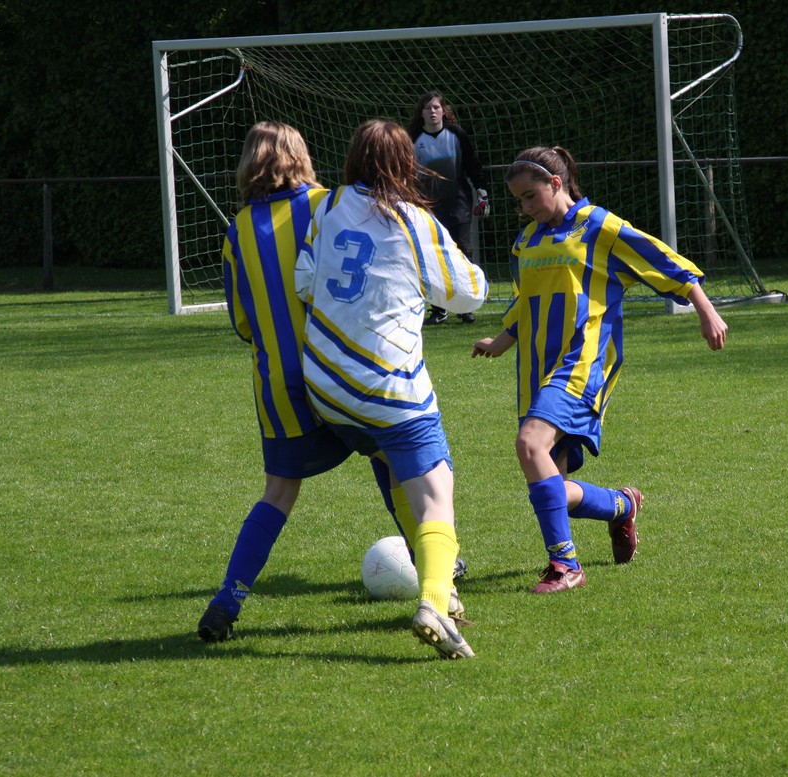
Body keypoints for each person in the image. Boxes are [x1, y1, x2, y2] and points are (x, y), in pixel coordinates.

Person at [199, 121, 442, 644]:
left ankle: (227, 600)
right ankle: (436, 575)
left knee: (278, 493)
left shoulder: (238, 228)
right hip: (338, 369)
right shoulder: (330, 204)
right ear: (301, 157)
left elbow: (242, 322)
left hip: (277, 384)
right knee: (392, 457)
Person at [471, 146, 728, 594]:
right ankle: (621, 506)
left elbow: (661, 259)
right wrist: (500, 341)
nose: (525, 208)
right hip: (535, 371)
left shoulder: (599, 226)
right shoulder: (527, 240)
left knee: (530, 445)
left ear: (557, 183)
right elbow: (525, 300)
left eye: (531, 196)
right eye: (519, 200)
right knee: (551, 484)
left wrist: (705, 310)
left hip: (583, 363)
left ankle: (565, 566)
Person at [295, 119, 488, 658]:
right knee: (437, 491)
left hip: (326, 388)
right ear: (407, 163)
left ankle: (442, 588)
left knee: (394, 464)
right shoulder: (414, 220)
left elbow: (304, 282)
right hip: (387, 387)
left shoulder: (327, 207)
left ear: (353, 159)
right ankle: (434, 601)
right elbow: (466, 295)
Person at [407, 90, 489, 326]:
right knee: (431, 255)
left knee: (463, 252)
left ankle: (466, 307)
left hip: (458, 204)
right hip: (427, 208)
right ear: (421, 113)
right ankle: (439, 309)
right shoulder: (412, 138)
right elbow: (404, 172)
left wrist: (482, 192)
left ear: (443, 111)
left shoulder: (456, 134)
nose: (432, 112)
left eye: (436, 107)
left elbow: (473, 165)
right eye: (428, 108)